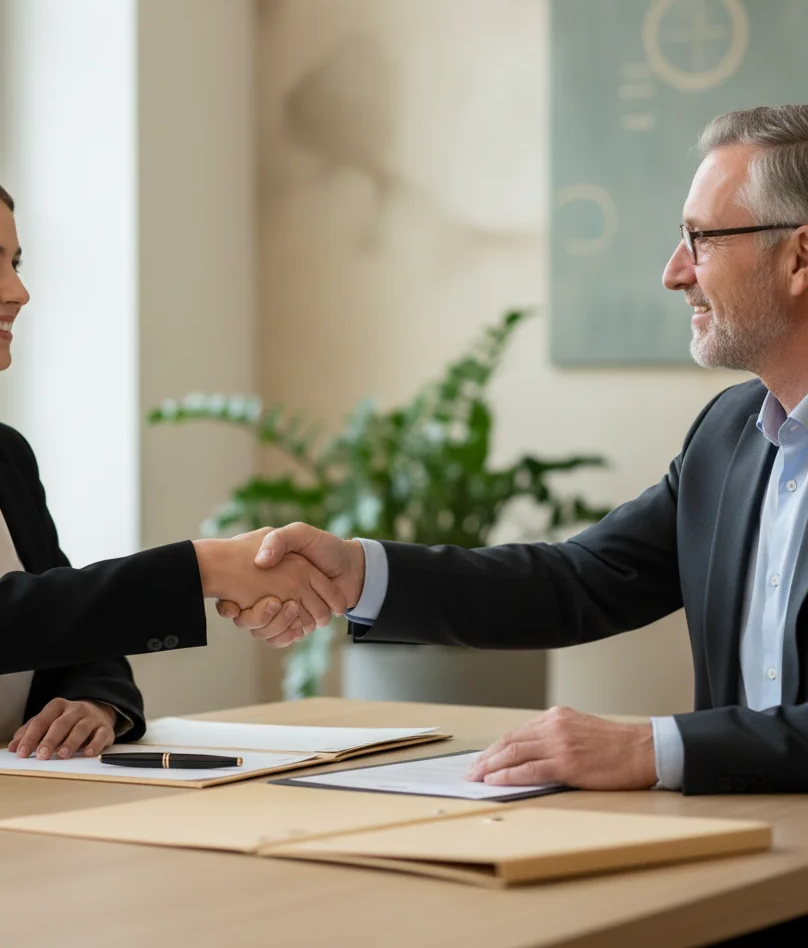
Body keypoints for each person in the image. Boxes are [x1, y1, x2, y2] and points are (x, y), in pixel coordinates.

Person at [223, 104, 808, 797]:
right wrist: (356, 572)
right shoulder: (728, 436)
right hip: (741, 858)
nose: (675, 272)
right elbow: (577, 583)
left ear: (799, 257)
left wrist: (655, 749)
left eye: (701, 239)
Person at [0, 161, 340, 771]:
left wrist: (95, 702)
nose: (18, 291)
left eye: (15, 263)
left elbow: (71, 633)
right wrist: (204, 566)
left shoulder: (2, 454)